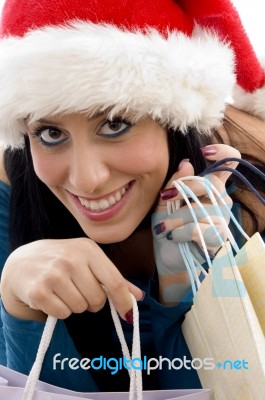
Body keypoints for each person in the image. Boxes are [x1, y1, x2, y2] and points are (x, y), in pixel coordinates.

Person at [0, 0, 265, 393]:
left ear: (176, 121)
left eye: (115, 123)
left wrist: (184, 288)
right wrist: (21, 309)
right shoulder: (14, 192)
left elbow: (238, 382)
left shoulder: (249, 193)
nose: (87, 180)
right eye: (51, 133)